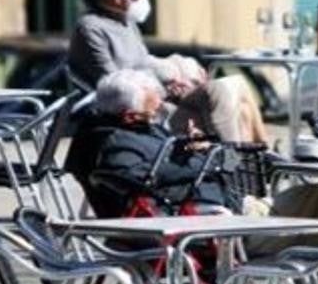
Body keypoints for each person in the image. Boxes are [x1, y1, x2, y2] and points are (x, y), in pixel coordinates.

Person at [68, 0, 267, 143]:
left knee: (239, 94)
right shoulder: (90, 27)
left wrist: (177, 72)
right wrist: (165, 86)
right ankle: (237, 160)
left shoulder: (126, 22)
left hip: (161, 100)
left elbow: (143, 60)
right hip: (144, 113)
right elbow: (115, 85)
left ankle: (259, 159)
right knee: (227, 96)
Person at [64, 69, 229, 218]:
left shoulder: (134, 127)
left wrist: (189, 146)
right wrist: (200, 162)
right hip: (191, 214)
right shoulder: (114, 143)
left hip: (209, 201)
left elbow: (159, 160)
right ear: (129, 116)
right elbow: (142, 176)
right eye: (153, 112)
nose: (158, 111)